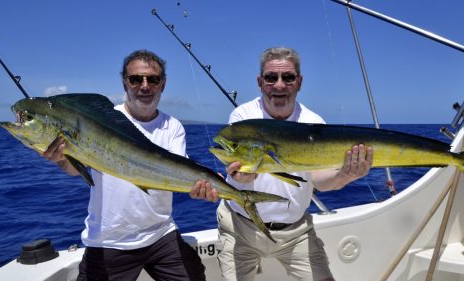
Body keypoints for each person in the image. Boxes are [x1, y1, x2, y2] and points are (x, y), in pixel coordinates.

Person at [43, 49, 217, 281]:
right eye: (136, 79)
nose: (144, 86)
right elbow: (76, 169)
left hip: (161, 235)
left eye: (152, 79)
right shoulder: (101, 120)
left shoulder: (172, 126)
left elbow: (177, 174)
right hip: (109, 241)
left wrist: (200, 187)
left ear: (162, 84)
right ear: (125, 83)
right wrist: (63, 160)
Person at [214, 47, 373, 281]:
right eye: (271, 77)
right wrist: (242, 178)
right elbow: (238, 171)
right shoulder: (243, 117)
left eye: (288, 77)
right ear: (260, 82)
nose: (279, 85)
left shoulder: (314, 123)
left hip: (296, 232)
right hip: (241, 227)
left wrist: (346, 175)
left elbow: (319, 179)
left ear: (299, 82)